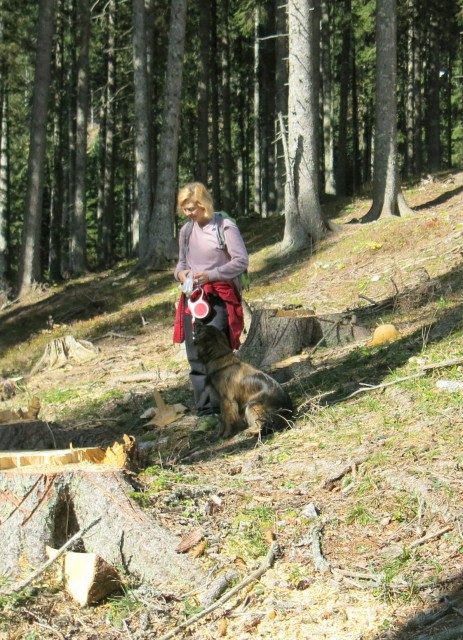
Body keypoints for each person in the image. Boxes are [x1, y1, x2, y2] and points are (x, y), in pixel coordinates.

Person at [173, 182, 249, 425]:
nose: (189, 214)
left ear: (203, 203)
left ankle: (227, 407)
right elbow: (181, 264)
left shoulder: (224, 226)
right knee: (195, 354)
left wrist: (212, 275)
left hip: (218, 298)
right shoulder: (186, 231)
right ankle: (206, 410)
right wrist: (181, 275)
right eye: (184, 209)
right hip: (192, 299)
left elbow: (241, 261)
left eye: (192, 208)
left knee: (218, 354)